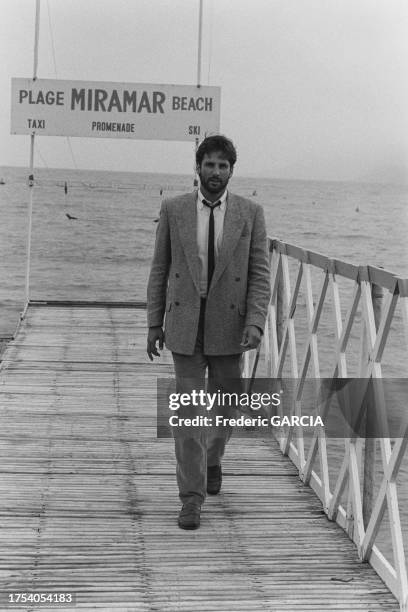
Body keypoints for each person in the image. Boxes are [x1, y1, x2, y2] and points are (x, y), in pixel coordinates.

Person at [146, 135, 270, 530]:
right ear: (197, 167)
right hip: (183, 325)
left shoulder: (250, 213)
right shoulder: (174, 209)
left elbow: (259, 275)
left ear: (232, 171)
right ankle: (191, 497)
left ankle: (214, 458)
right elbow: (159, 268)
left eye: (223, 166)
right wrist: (153, 322)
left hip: (229, 326)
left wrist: (255, 320)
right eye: (209, 164)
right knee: (186, 416)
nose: (216, 172)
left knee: (226, 407)